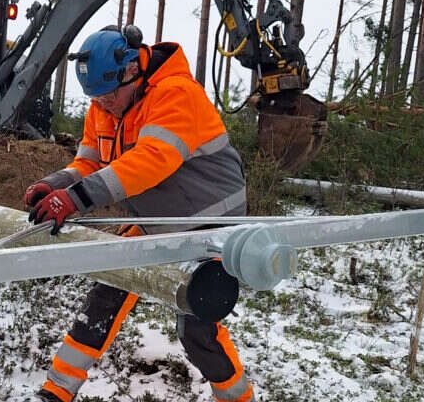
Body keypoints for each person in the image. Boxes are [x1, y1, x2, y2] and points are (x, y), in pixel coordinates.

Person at [26, 27, 255, 402]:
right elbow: (89, 161)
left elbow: (151, 161)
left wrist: (77, 199)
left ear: (132, 70)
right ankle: (56, 391)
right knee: (107, 293)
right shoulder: (105, 104)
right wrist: (54, 184)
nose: (103, 105)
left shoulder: (176, 95)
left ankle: (238, 398)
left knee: (197, 330)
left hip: (210, 227)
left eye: (109, 96)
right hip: (157, 221)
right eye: (96, 99)